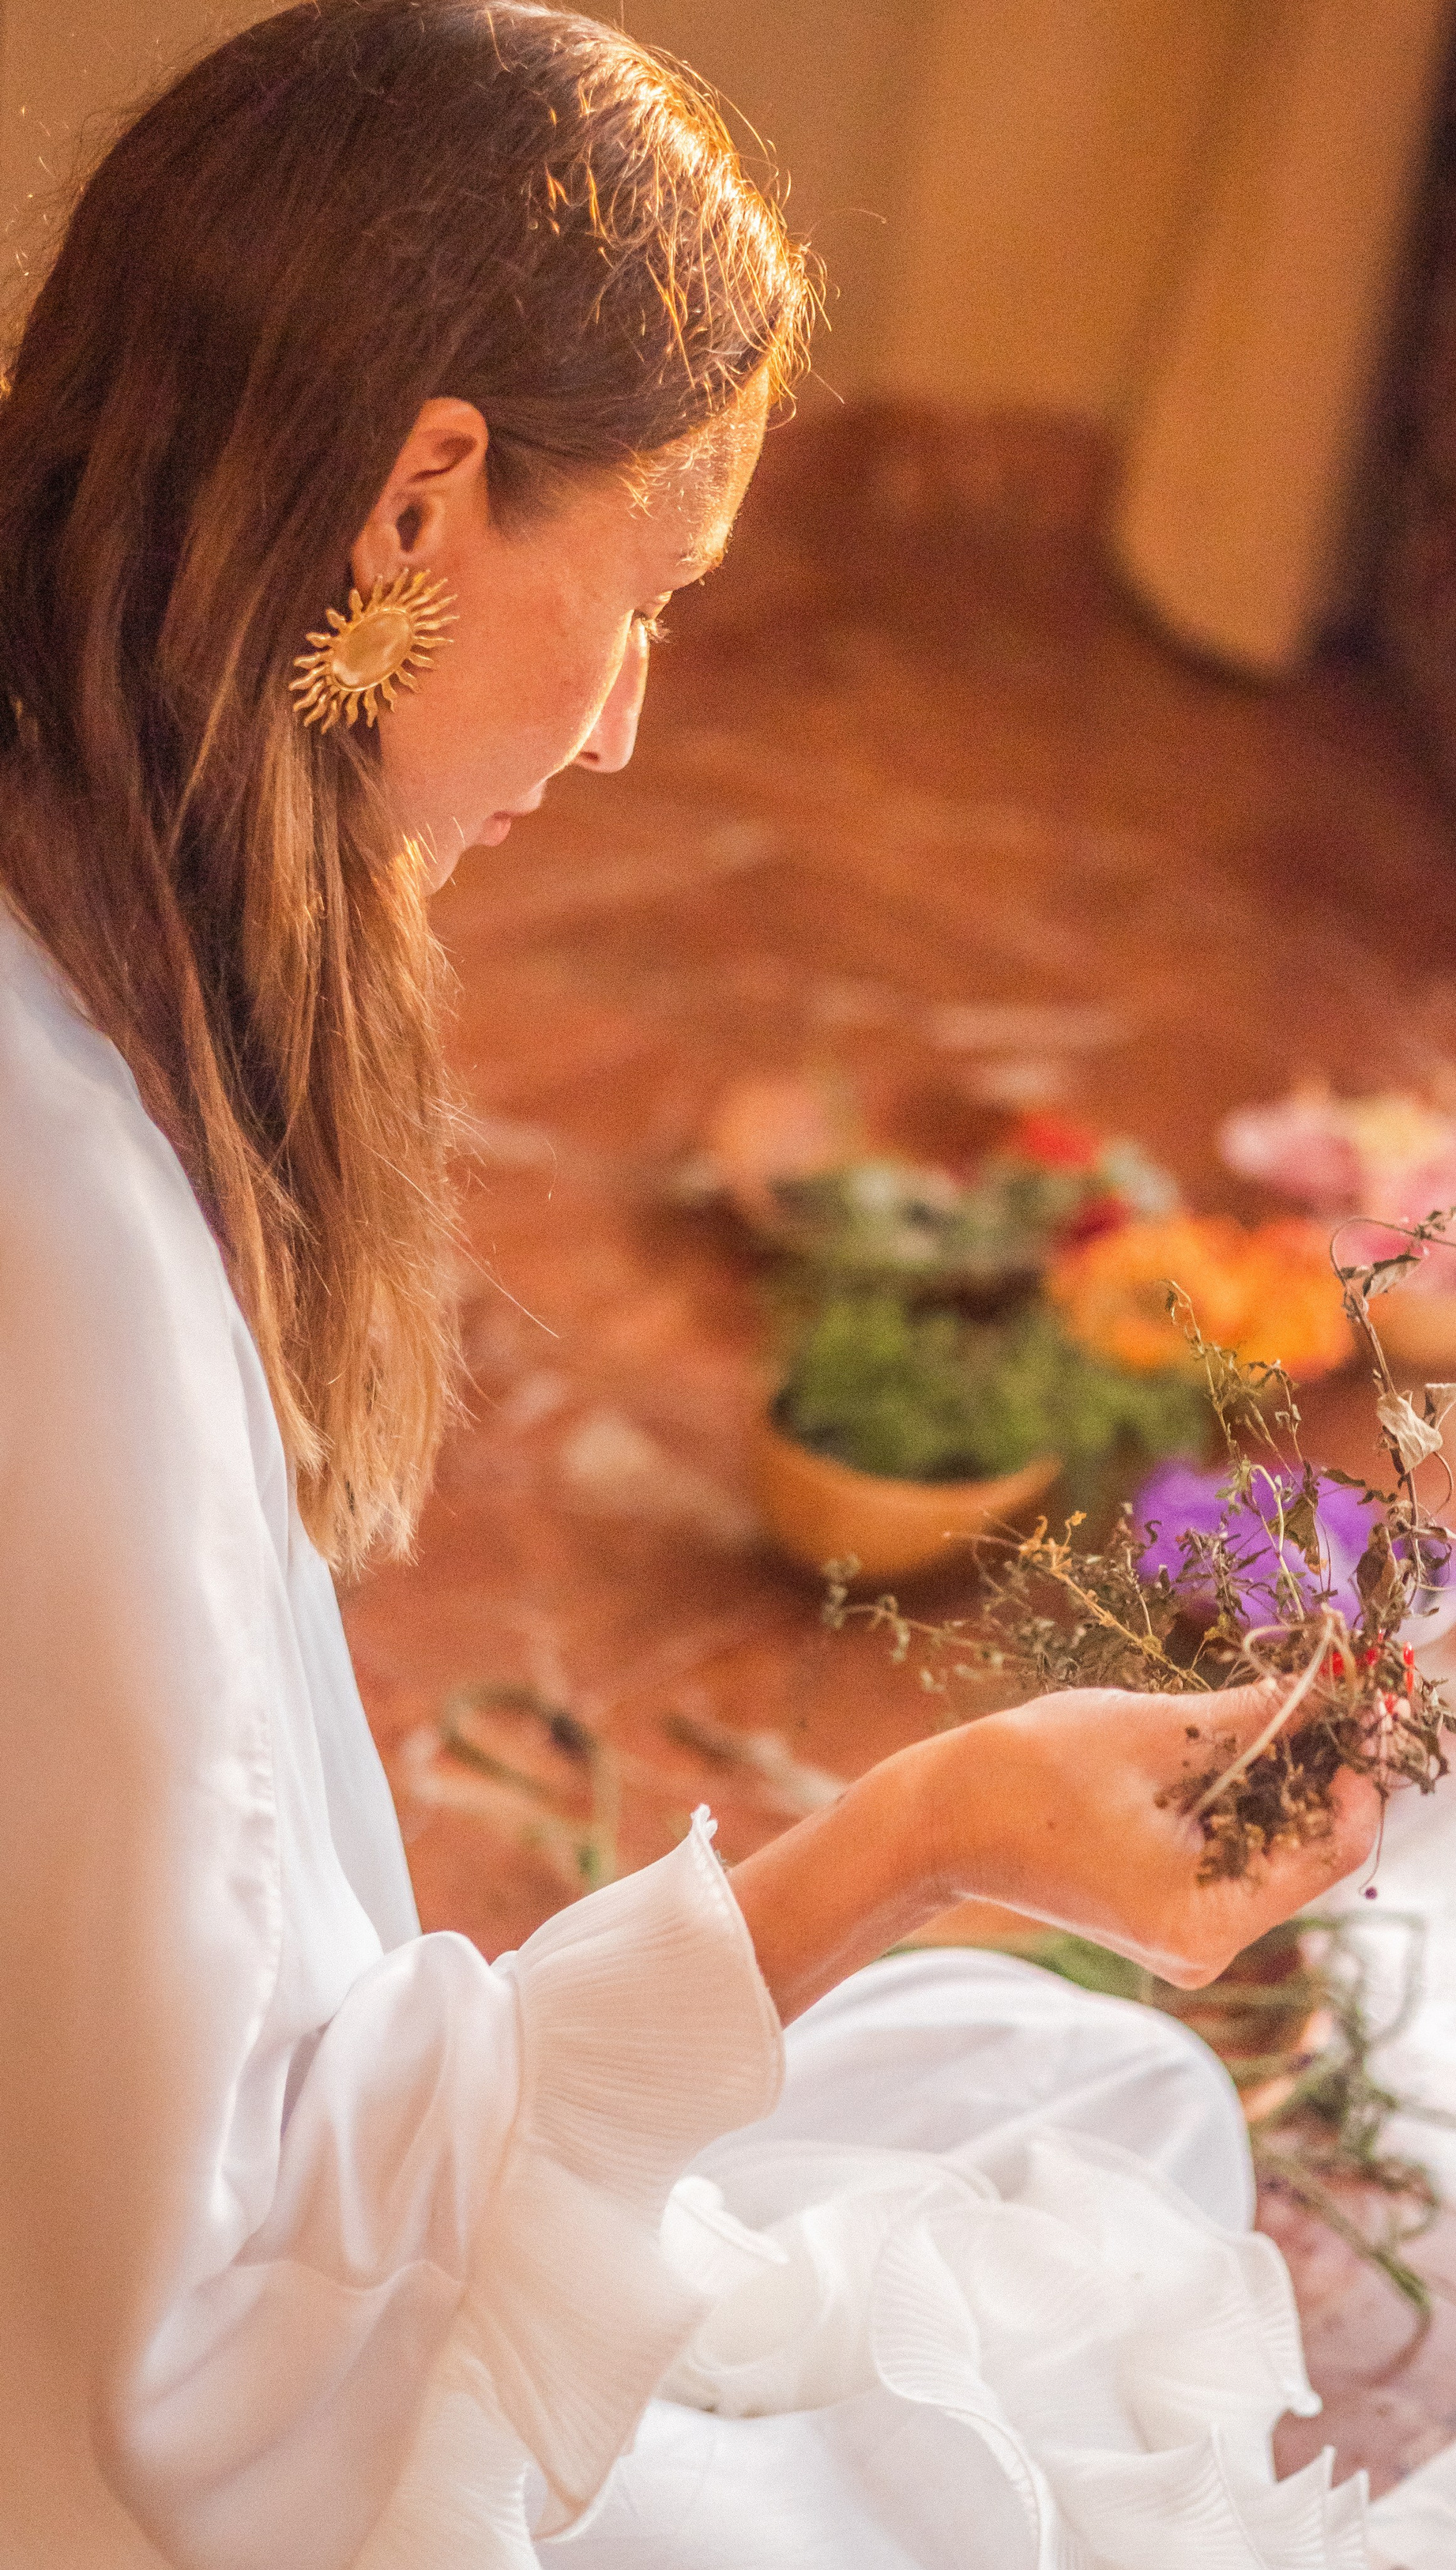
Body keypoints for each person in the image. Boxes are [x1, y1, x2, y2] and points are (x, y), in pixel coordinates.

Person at [0, 7, 1379, 2564]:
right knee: (1022, 2359)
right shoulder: (58, 1222)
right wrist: (924, 1831)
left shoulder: (79, 912)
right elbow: (214, 2321)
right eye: (640, 597)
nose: (632, 722)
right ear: (420, 496)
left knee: (1079, 2125)